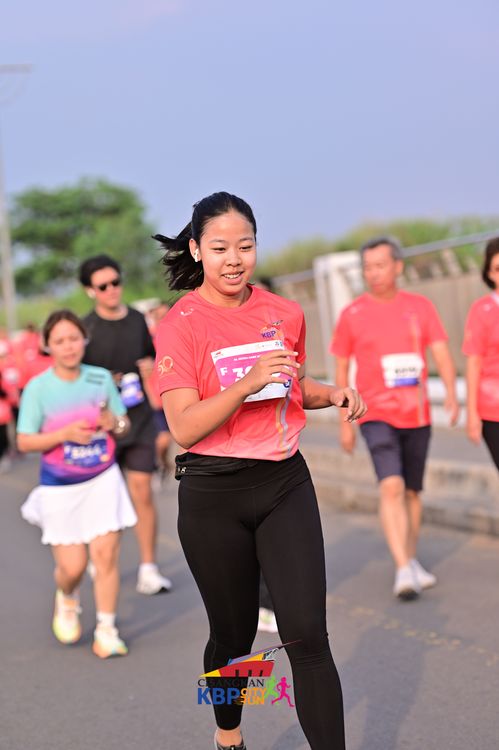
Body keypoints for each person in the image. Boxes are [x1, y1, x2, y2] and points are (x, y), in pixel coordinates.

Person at [153, 191, 367, 750]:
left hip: (282, 483)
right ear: (196, 250)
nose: (234, 259)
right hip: (212, 495)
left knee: (307, 637)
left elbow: (293, 385)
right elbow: (184, 426)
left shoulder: (283, 313)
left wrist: (332, 393)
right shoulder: (180, 324)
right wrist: (245, 384)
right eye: (220, 247)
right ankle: (228, 733)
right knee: (234, 637)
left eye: (245, 246)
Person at [331, 236, 459, 601]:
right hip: (375, 413)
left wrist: (451, 394)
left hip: (416, 413)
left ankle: (410, 557)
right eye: (367, 267)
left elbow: (441, 352)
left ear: (398, 267)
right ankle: (403, 568)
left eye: (380, 265)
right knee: (391, 486)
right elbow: (341, 369)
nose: (373, 273)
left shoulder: (420, 307)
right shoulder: (352, 314)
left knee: (413, 491)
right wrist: (344, 423)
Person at [16, 310, 137, 658]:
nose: (68, 347)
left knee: (105, 556)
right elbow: (24, 441)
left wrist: (113, 422)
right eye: (59, 341)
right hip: (60, 486)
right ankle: (67, 596)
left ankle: (106, 630)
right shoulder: (38, 388)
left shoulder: (100, 378)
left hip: (103, 478)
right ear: (47, 346)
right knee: (73, 567)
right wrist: (63, 434)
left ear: (84, 340)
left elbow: (123, 424)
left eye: (73, 338)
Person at [78, 255, 172, 595]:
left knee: (142, 491)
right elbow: (77, 376)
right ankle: (99, 557)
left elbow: (151, 357)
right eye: (103, 286)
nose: (112, 290)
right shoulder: (86, 329)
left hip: (139, 417)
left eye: (115, 282)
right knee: (104, 498)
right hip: (103, 424)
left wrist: (149, 368)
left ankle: (149, 568)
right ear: (90, 291)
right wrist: (104, 382)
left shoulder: (135, 319)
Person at [463, 237, 499, 471]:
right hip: (494, 410)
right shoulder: (481, 310)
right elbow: (473, 362)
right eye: (498, 268)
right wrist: (472, 413)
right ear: (489, 273)